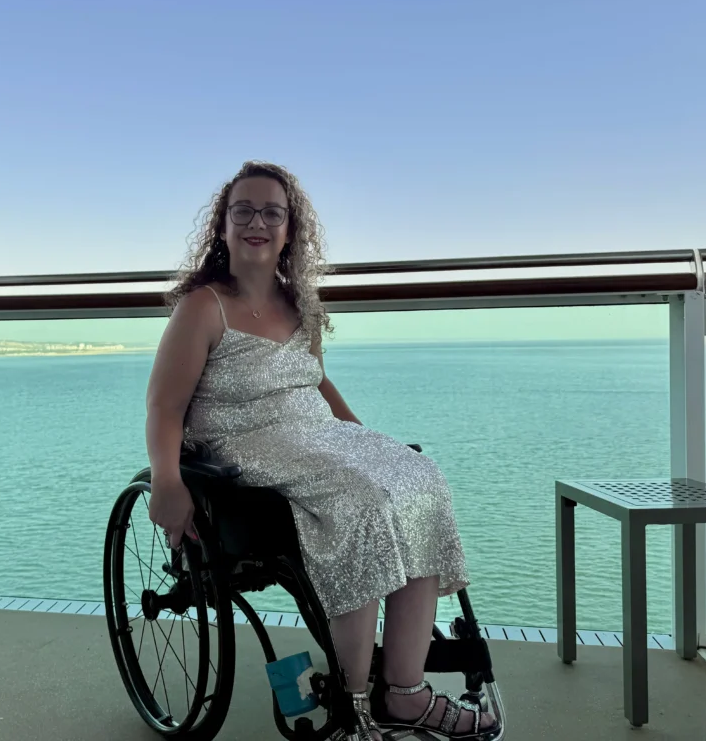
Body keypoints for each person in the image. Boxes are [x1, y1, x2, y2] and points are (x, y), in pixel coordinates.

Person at [145, 160, 498, 740]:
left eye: (272, 213)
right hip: (246, 445)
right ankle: (353, 700)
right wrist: (166, 480)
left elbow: (315, 381)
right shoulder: (202, 307)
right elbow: (164, 407)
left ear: (289, 230)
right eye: (244, 211)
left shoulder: (298, 305)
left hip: (316, 435)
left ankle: (404, 691)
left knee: (420, 477)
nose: (257, 222)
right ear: (223, 227)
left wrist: (367, 441)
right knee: (358, 501)